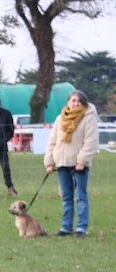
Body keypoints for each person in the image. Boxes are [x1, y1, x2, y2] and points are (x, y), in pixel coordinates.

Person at [44, 89, 99, 238]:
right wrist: (49, 162)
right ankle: (66, 227)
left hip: (78, 165)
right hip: (62, 163)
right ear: (68, 102)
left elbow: (91, 141)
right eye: (73, 100)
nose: (75, 103)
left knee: (80, 196)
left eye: (78, 101)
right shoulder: (60, 119)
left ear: (83, 103)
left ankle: (81, 227)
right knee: (66, 197)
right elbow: (52, 142)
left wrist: (82, 161)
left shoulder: (88, 117)